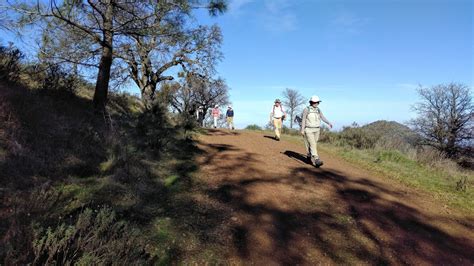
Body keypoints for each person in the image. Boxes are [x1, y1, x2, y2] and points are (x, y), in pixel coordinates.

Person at [300, 95, 333, 167]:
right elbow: (303, 119)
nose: (316, 103)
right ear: (311, 102)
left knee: (313, 144)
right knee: (313, 144)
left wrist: (328, 123)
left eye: (317, 102)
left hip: (317, 129)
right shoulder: (306, 109)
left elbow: (322, 117)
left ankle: (309, 155)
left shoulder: (318, 110)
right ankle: (316, 159)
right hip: (308, 129)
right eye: (315, 102)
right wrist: (302, 129)